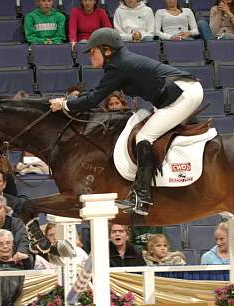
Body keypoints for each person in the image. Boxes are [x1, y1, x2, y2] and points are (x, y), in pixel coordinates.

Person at [49, 28, 203, 215]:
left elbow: (92, 99)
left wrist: (65, 104)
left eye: (93, 52)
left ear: (107, 50)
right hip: (180, 91)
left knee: (144, 137)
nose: (90, 56)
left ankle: (142, 197)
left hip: (182, 94)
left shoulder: (118, 66)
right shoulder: (119, 62)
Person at [0, 229, 31, 306]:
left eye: (8, 243)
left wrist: (26, 259)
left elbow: (32, 281)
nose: (5, 246)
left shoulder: (23, 261)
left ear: (12, 245)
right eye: (0, 244)